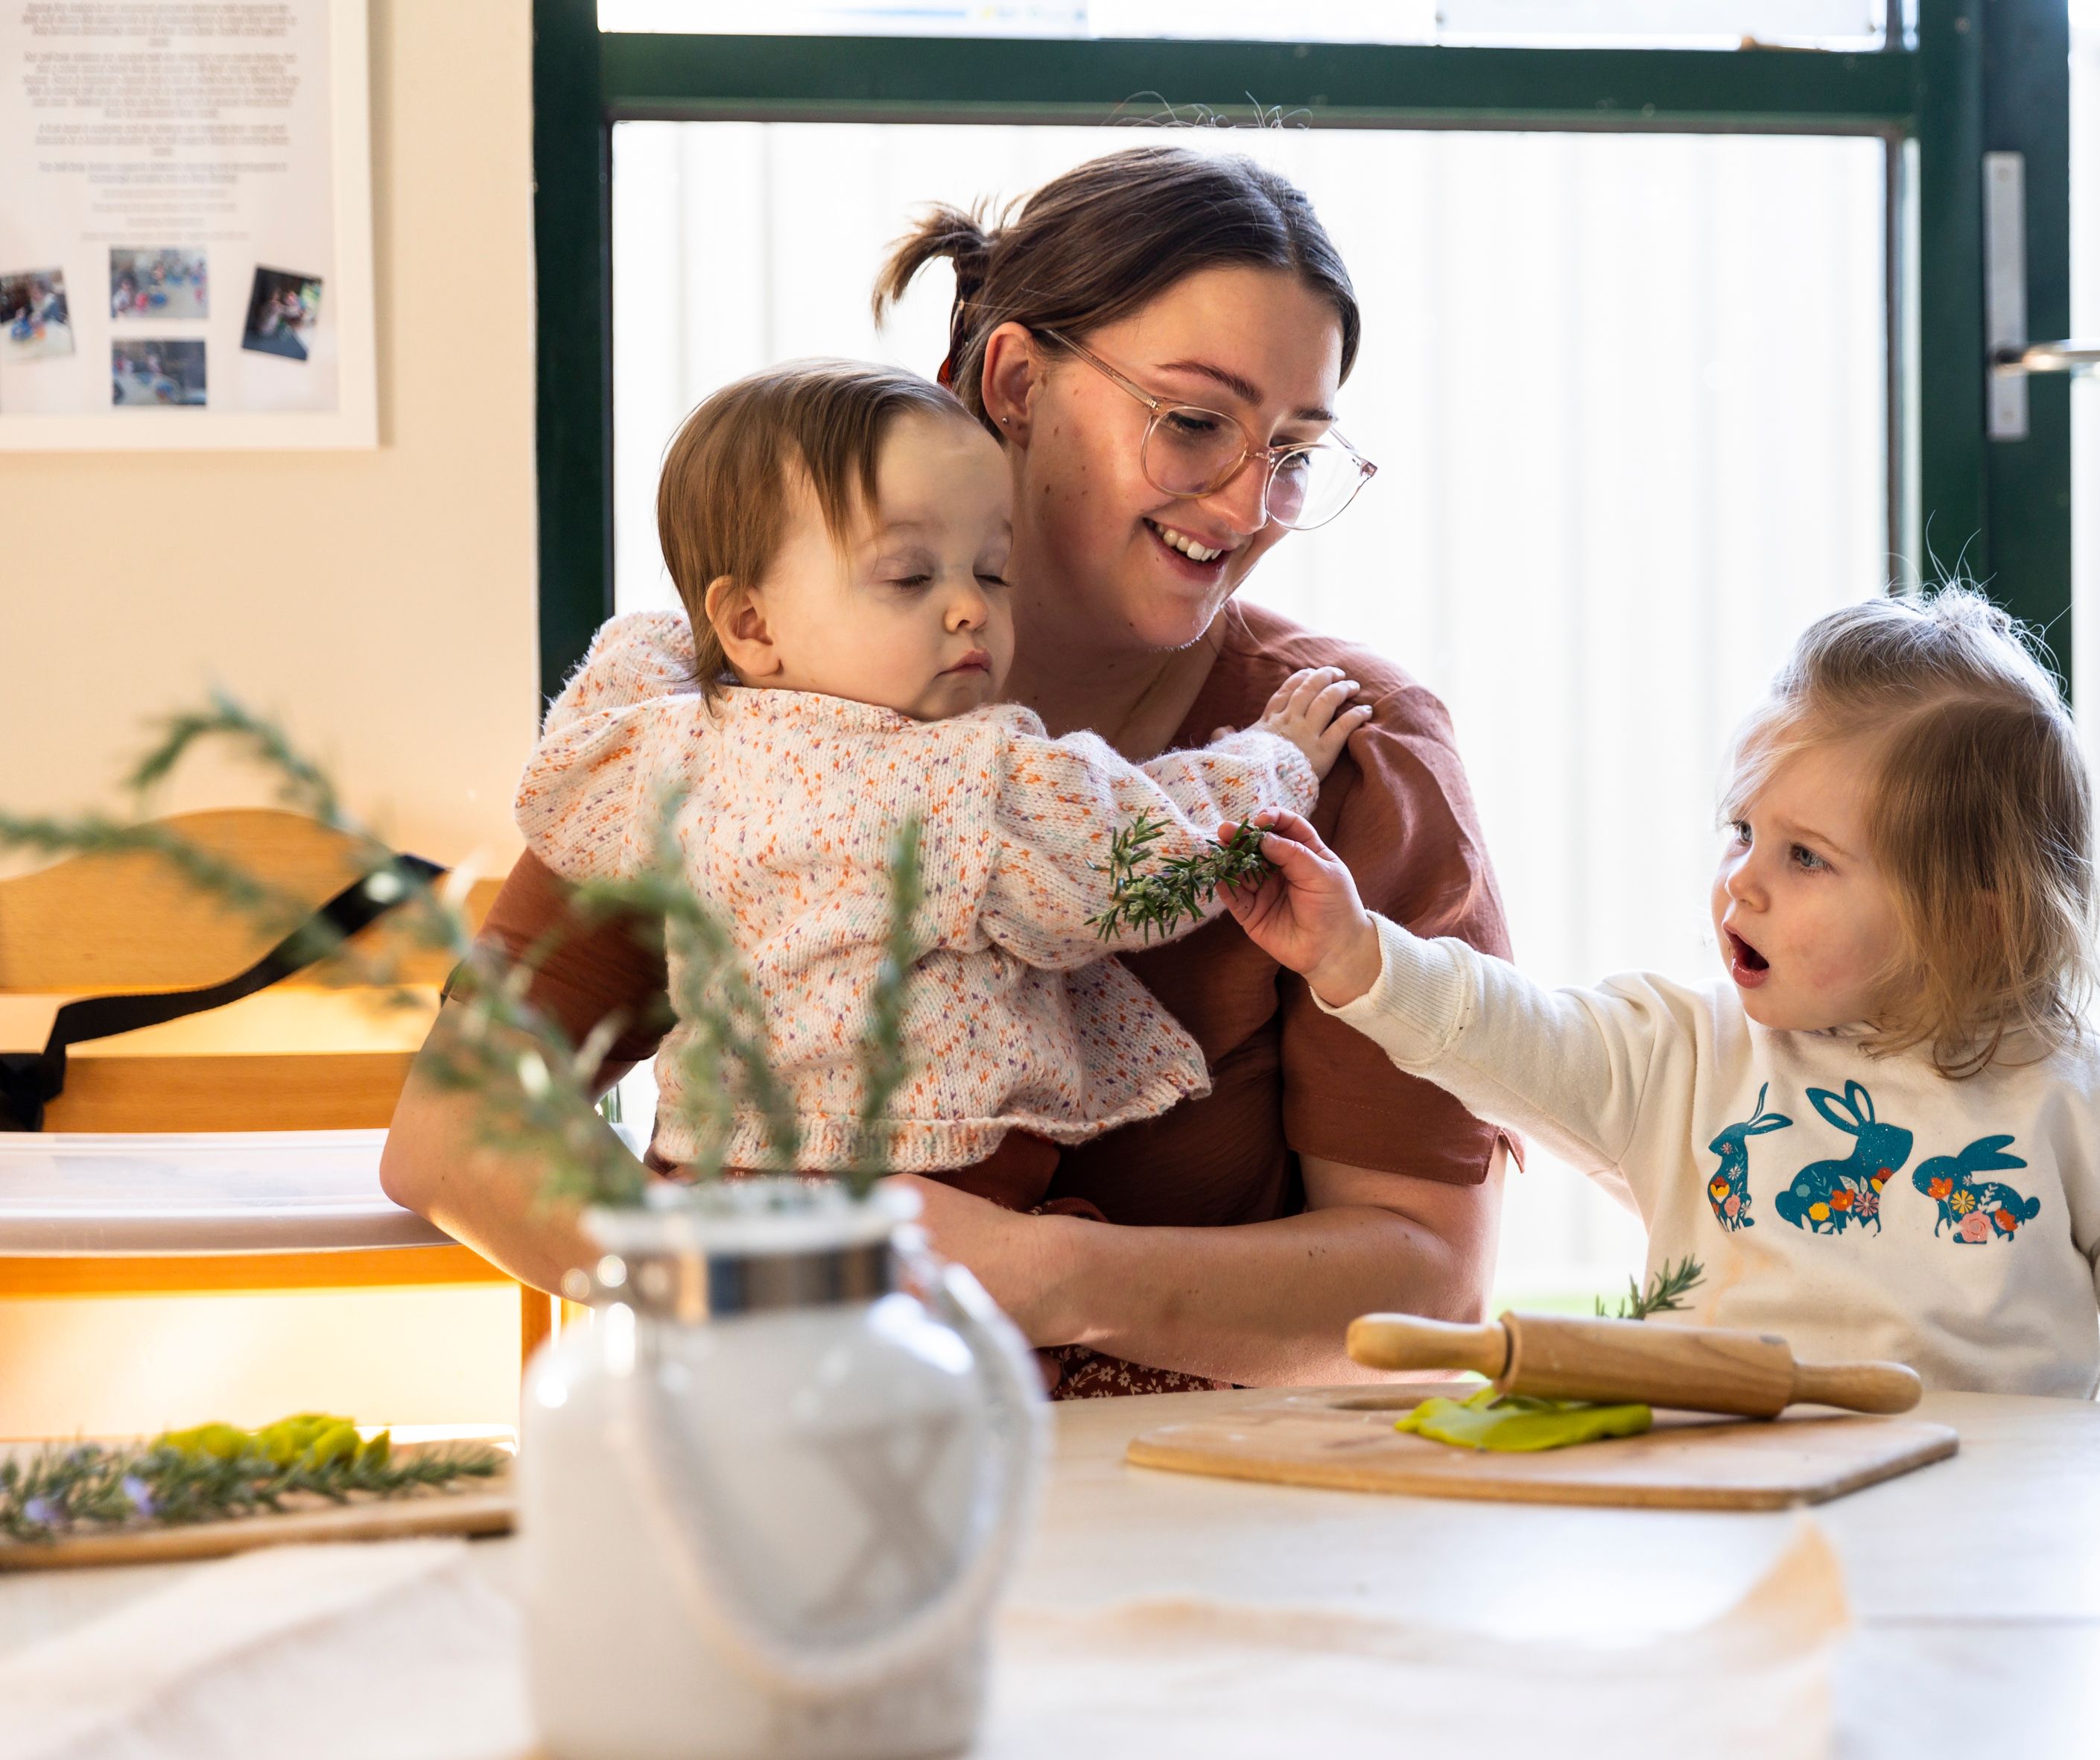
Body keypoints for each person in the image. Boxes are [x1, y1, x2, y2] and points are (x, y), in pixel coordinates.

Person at [382, 145, 1514, 1396]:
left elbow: (1430, 1278)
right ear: (1015, 380)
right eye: (1195, 422)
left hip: (1182, 1511)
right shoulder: (755, 717)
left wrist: (1034, 1276)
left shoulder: (1347, 749)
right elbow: (454, 1133)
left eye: (1293, 451)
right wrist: (735, 1294)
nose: (1247, 503)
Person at [1222, 586, 2100, 1398]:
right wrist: (1359, 956)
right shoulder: (1687, 1048)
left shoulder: (2061, 1085)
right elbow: (1513, 1033)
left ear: (1968, 913)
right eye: (1744, 833)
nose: (1741, 878)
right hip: (1727, 1487)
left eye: (1805, 858)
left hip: (1991, 1505)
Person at [515, 358, 1364, 1186]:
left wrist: (677, 649)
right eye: (910, 576)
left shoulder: (670, 747)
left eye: (993, 573)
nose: (970, 607)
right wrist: (1272, 764)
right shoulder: (961, 778)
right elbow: (1122, 855)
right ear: (749, 621)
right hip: (920, 1169)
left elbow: (563, 790)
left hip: (711, 1164)